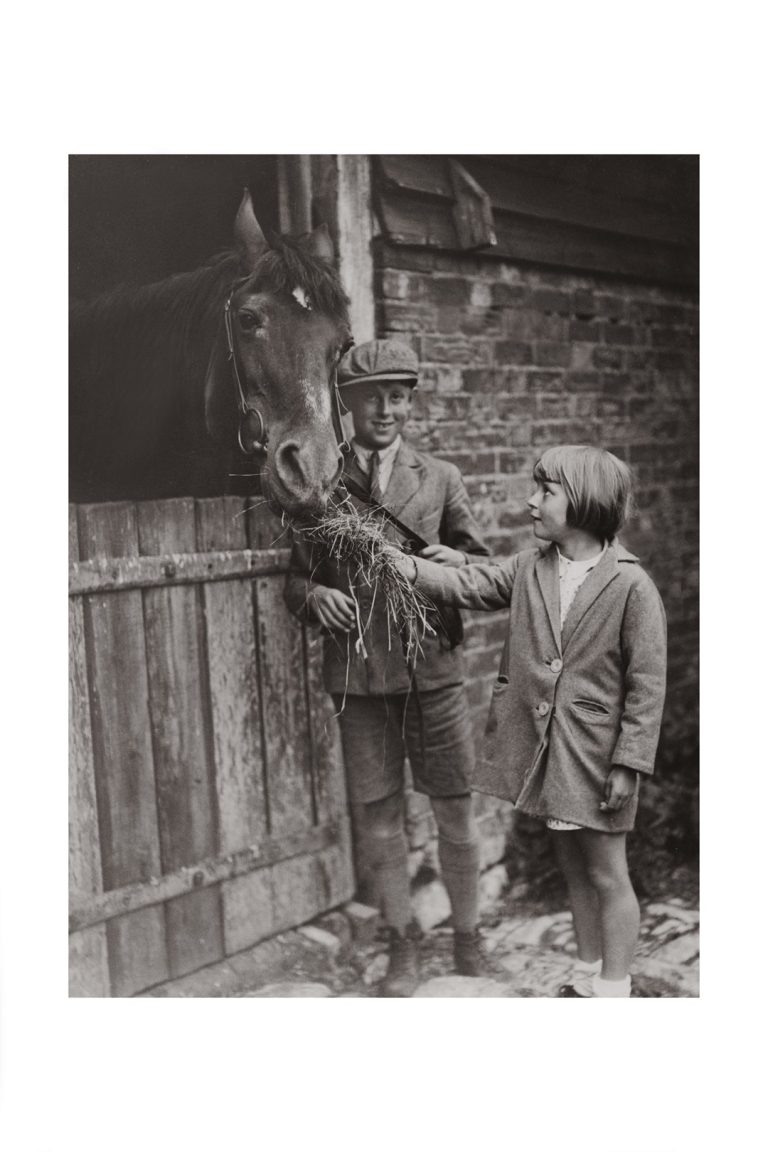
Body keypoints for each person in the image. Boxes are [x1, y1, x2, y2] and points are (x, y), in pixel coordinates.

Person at [391, 445, 667, 998]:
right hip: (550, 754)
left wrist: (629, 762)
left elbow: (647, 684)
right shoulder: (530, 566)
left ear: (586, 504)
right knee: (571, 865)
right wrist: (404, 565)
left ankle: (616, 988)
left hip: (595, 754)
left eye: (546, 492)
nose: (531, 501)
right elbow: (470, 586)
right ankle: (588, 973)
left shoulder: (631, 586)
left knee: (608, 873)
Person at [284, 339, 491, 996]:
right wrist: (315, 596)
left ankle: (467, 934)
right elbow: (294, 580)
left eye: (398, 396)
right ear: (346, 405)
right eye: (373, 396)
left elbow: (480, 568)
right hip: (360, 679)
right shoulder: (320, 484)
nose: (387, 409)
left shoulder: (441, 479)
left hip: (433, 674)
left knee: (454, 812)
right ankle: (404, 941)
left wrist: (451, 564)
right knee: (379, 817)